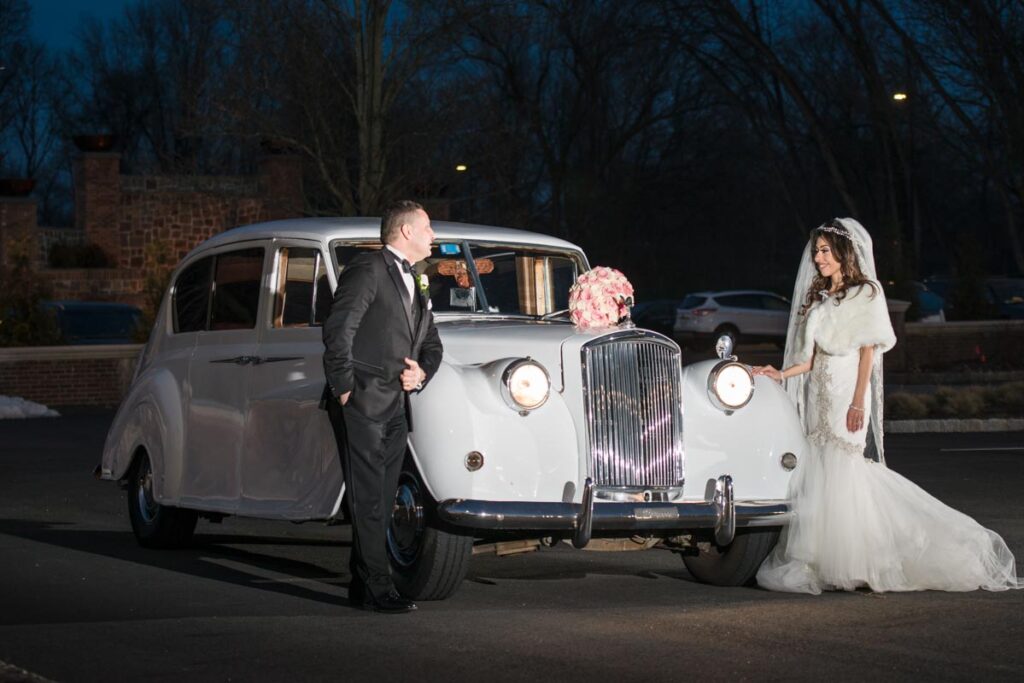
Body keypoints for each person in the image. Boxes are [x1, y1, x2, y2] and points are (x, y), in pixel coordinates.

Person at [752, 217, 1021, 594]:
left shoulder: (866, 293)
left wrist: (857, 402)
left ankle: (860, 560)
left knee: (846, 467)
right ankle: (822, 559)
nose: (818, 258)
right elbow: (809, 360)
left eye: (825, 250)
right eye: (816, 252)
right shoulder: (820, 298)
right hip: (819, 394)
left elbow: (868, 353)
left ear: (843, 252)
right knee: (821, 469)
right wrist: (780, 373)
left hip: (847, 392)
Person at [322, 200, 443, 613]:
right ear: (406, 231)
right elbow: (339, 328)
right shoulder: (368, 268)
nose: (433, 235)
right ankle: (378, 587)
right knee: (368, 499)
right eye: (427, 227)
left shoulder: (418, 280)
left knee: (383, 499)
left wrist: (421, 373)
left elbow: (432, 344)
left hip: (396, 406)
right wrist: (344, 388)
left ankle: (363, 583)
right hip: (362, 400)